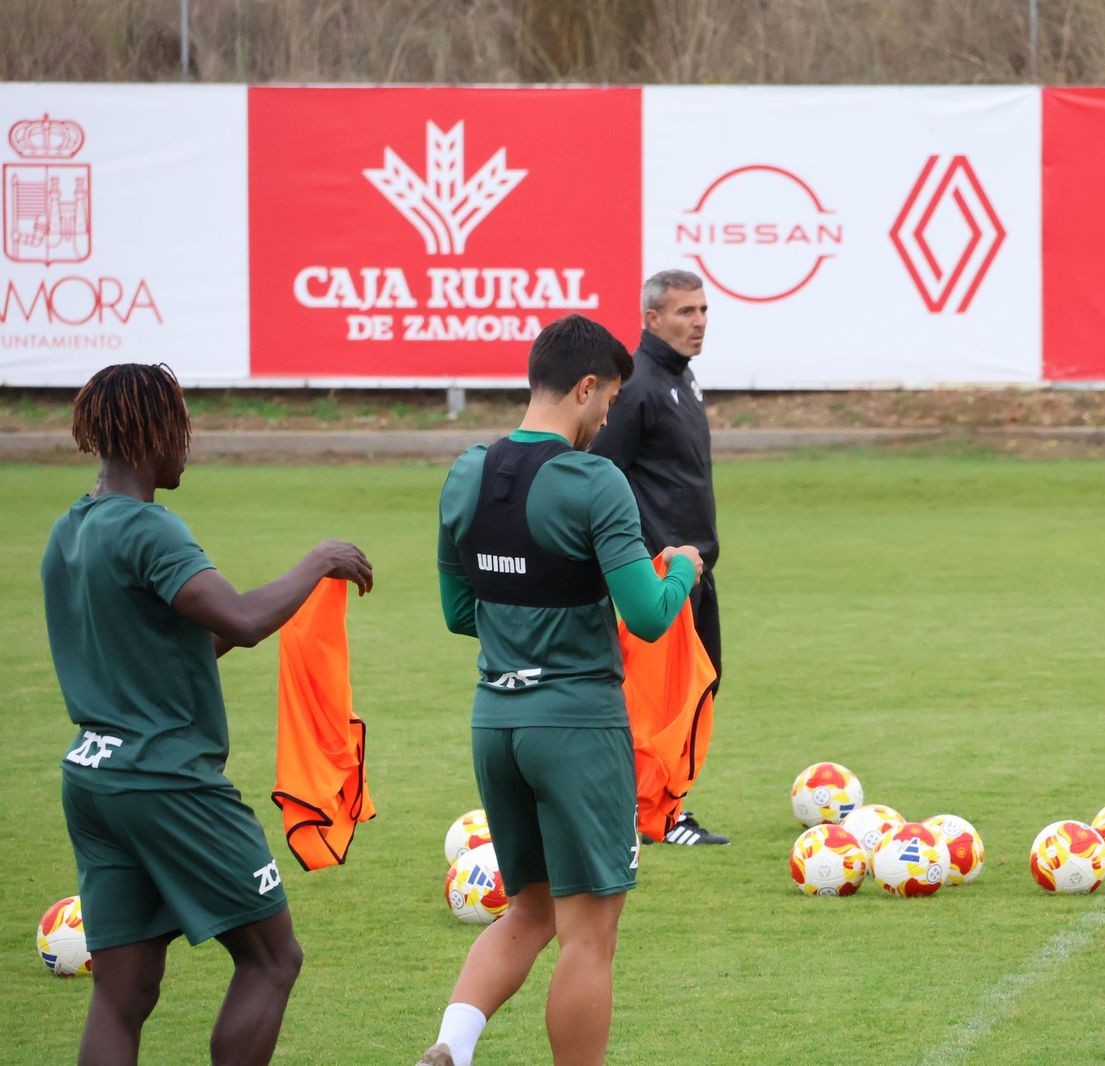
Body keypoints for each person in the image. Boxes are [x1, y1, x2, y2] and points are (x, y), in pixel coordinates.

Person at [41, 363, 374, 1066]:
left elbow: (185, 644)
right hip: (169, 782)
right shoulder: (148, 529)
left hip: (95, 781)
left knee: (121, 996)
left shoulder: (70, 532)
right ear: (152, 432)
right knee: (272, 959)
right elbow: (244, 620)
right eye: (181, 428)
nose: (187, 444)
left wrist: (288, 607)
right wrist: (317, 561)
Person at [420, 314, 703, 1066]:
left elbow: (458, 614)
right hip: (577, 727)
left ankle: (451, 1047)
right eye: (607, 398)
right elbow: (645, 617)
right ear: (584, 387)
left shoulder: (467, 472)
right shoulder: (593, 480)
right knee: (589, 934)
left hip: (495, 723)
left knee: (529, 910)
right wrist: (680, 570)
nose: (608, 416)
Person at [588, 269, 729, 847]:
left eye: (702, 310)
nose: (698, 321)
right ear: (652, 319)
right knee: (658, 706)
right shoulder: (639, 386)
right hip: (658, 573)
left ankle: (663, 809)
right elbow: (603, 472)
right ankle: (653, 817)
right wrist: (639, 562)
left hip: (696, 569)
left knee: (698, 692)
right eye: (685, 312)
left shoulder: (681, 378)